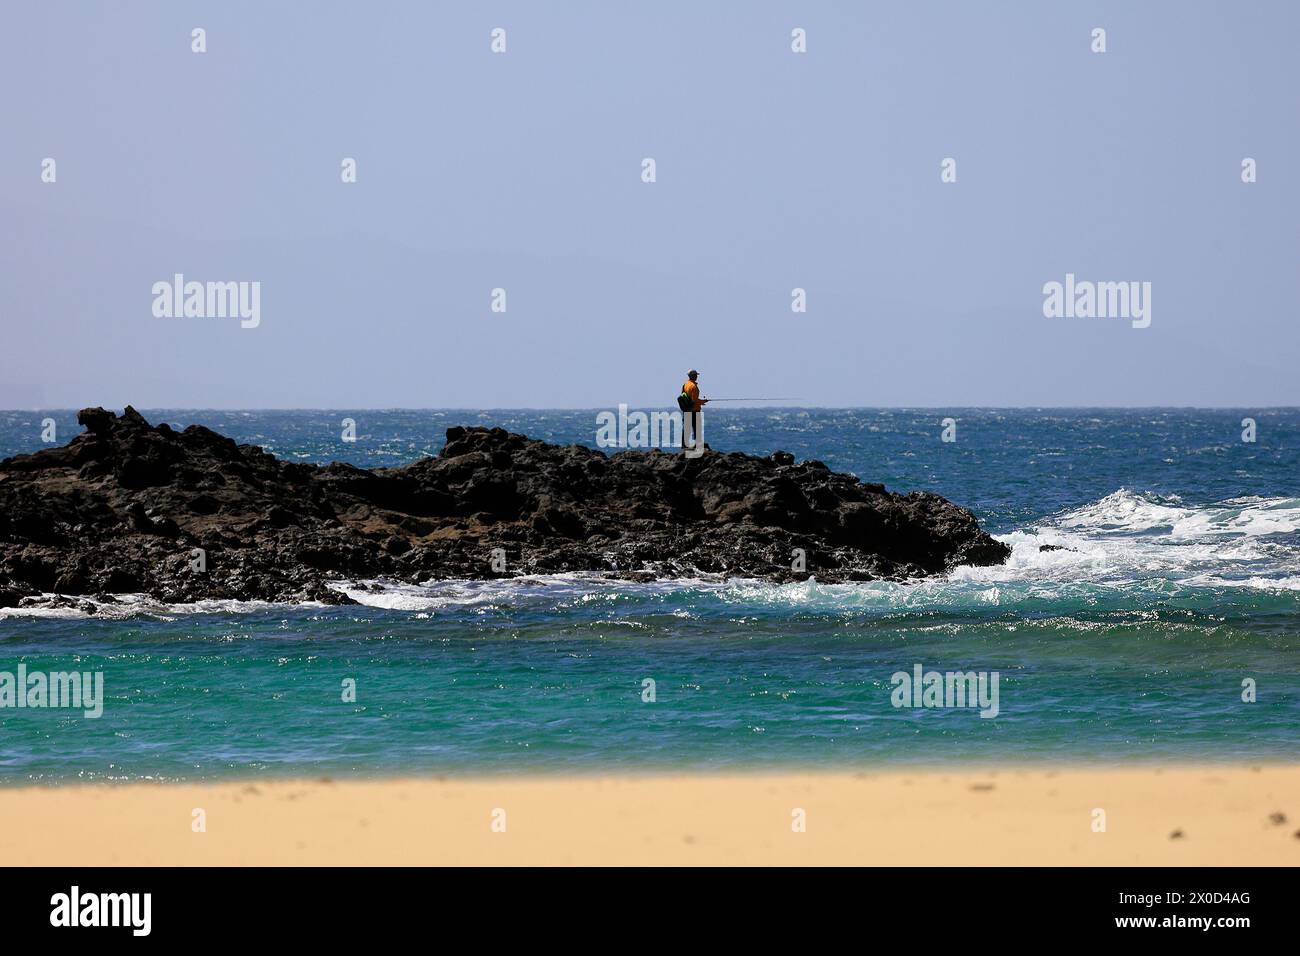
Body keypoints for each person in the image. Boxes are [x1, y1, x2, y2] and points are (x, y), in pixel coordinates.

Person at [680, 369, 707, 452]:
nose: (696, 376)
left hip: (687, 409)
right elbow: (694, 400)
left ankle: (684, 445)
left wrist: (700, 402)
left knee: (687, 428)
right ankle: (697, 445)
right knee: (697, 428)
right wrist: (703, 401)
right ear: (692, 376)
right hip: (694, 410)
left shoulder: (685, 385)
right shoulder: (693, 386)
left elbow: (683, 396)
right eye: (695, 375)